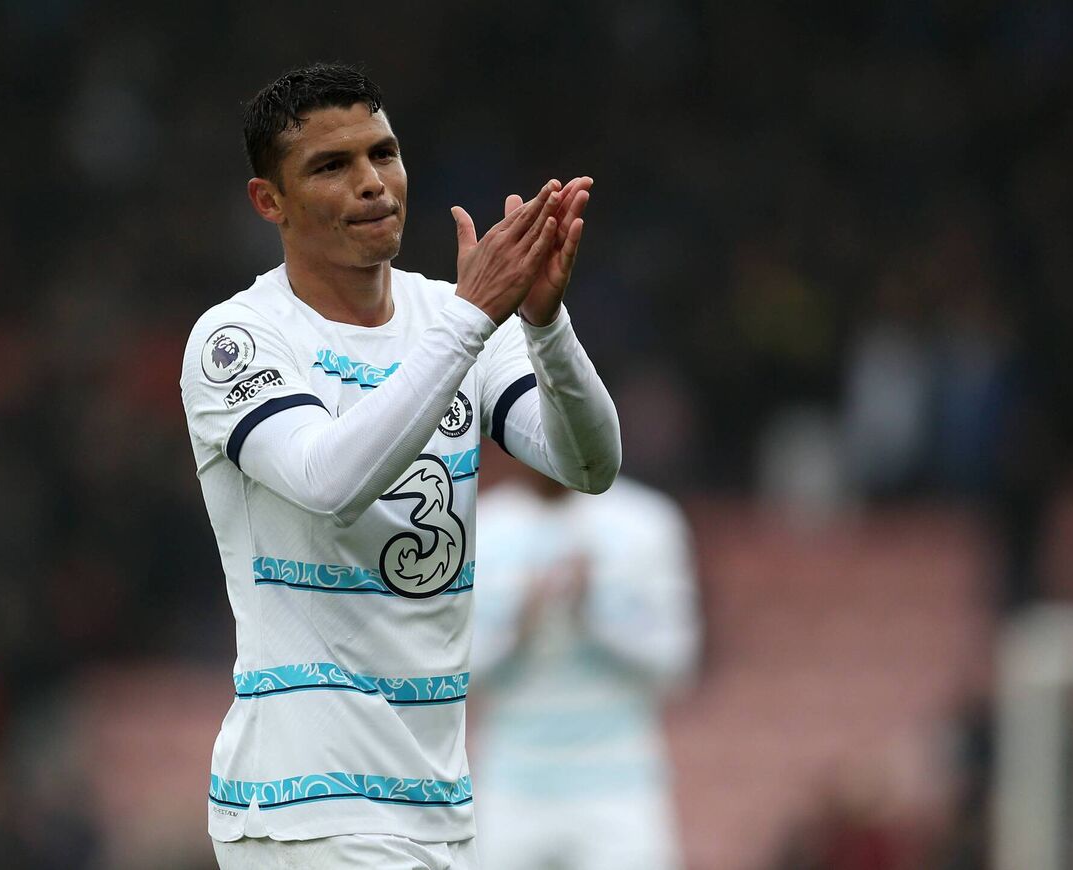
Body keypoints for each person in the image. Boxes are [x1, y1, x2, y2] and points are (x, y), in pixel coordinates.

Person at [179, 63, 621, 869]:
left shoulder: (451, 314)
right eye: (331, 166)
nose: (372, 183)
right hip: (306, 802)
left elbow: (587, 464)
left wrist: (547, 325)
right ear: (267, 202)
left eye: (383, 154)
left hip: (434, 804)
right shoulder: (236, 340)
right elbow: (329, 482)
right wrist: (472, 319)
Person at [469, 463, 701, 870]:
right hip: (510, 789)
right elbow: (455, 675)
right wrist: (517, 628)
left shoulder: (646, 522)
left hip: (619, 788)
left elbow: (678, 664)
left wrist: (594, 618)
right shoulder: (481, 528)